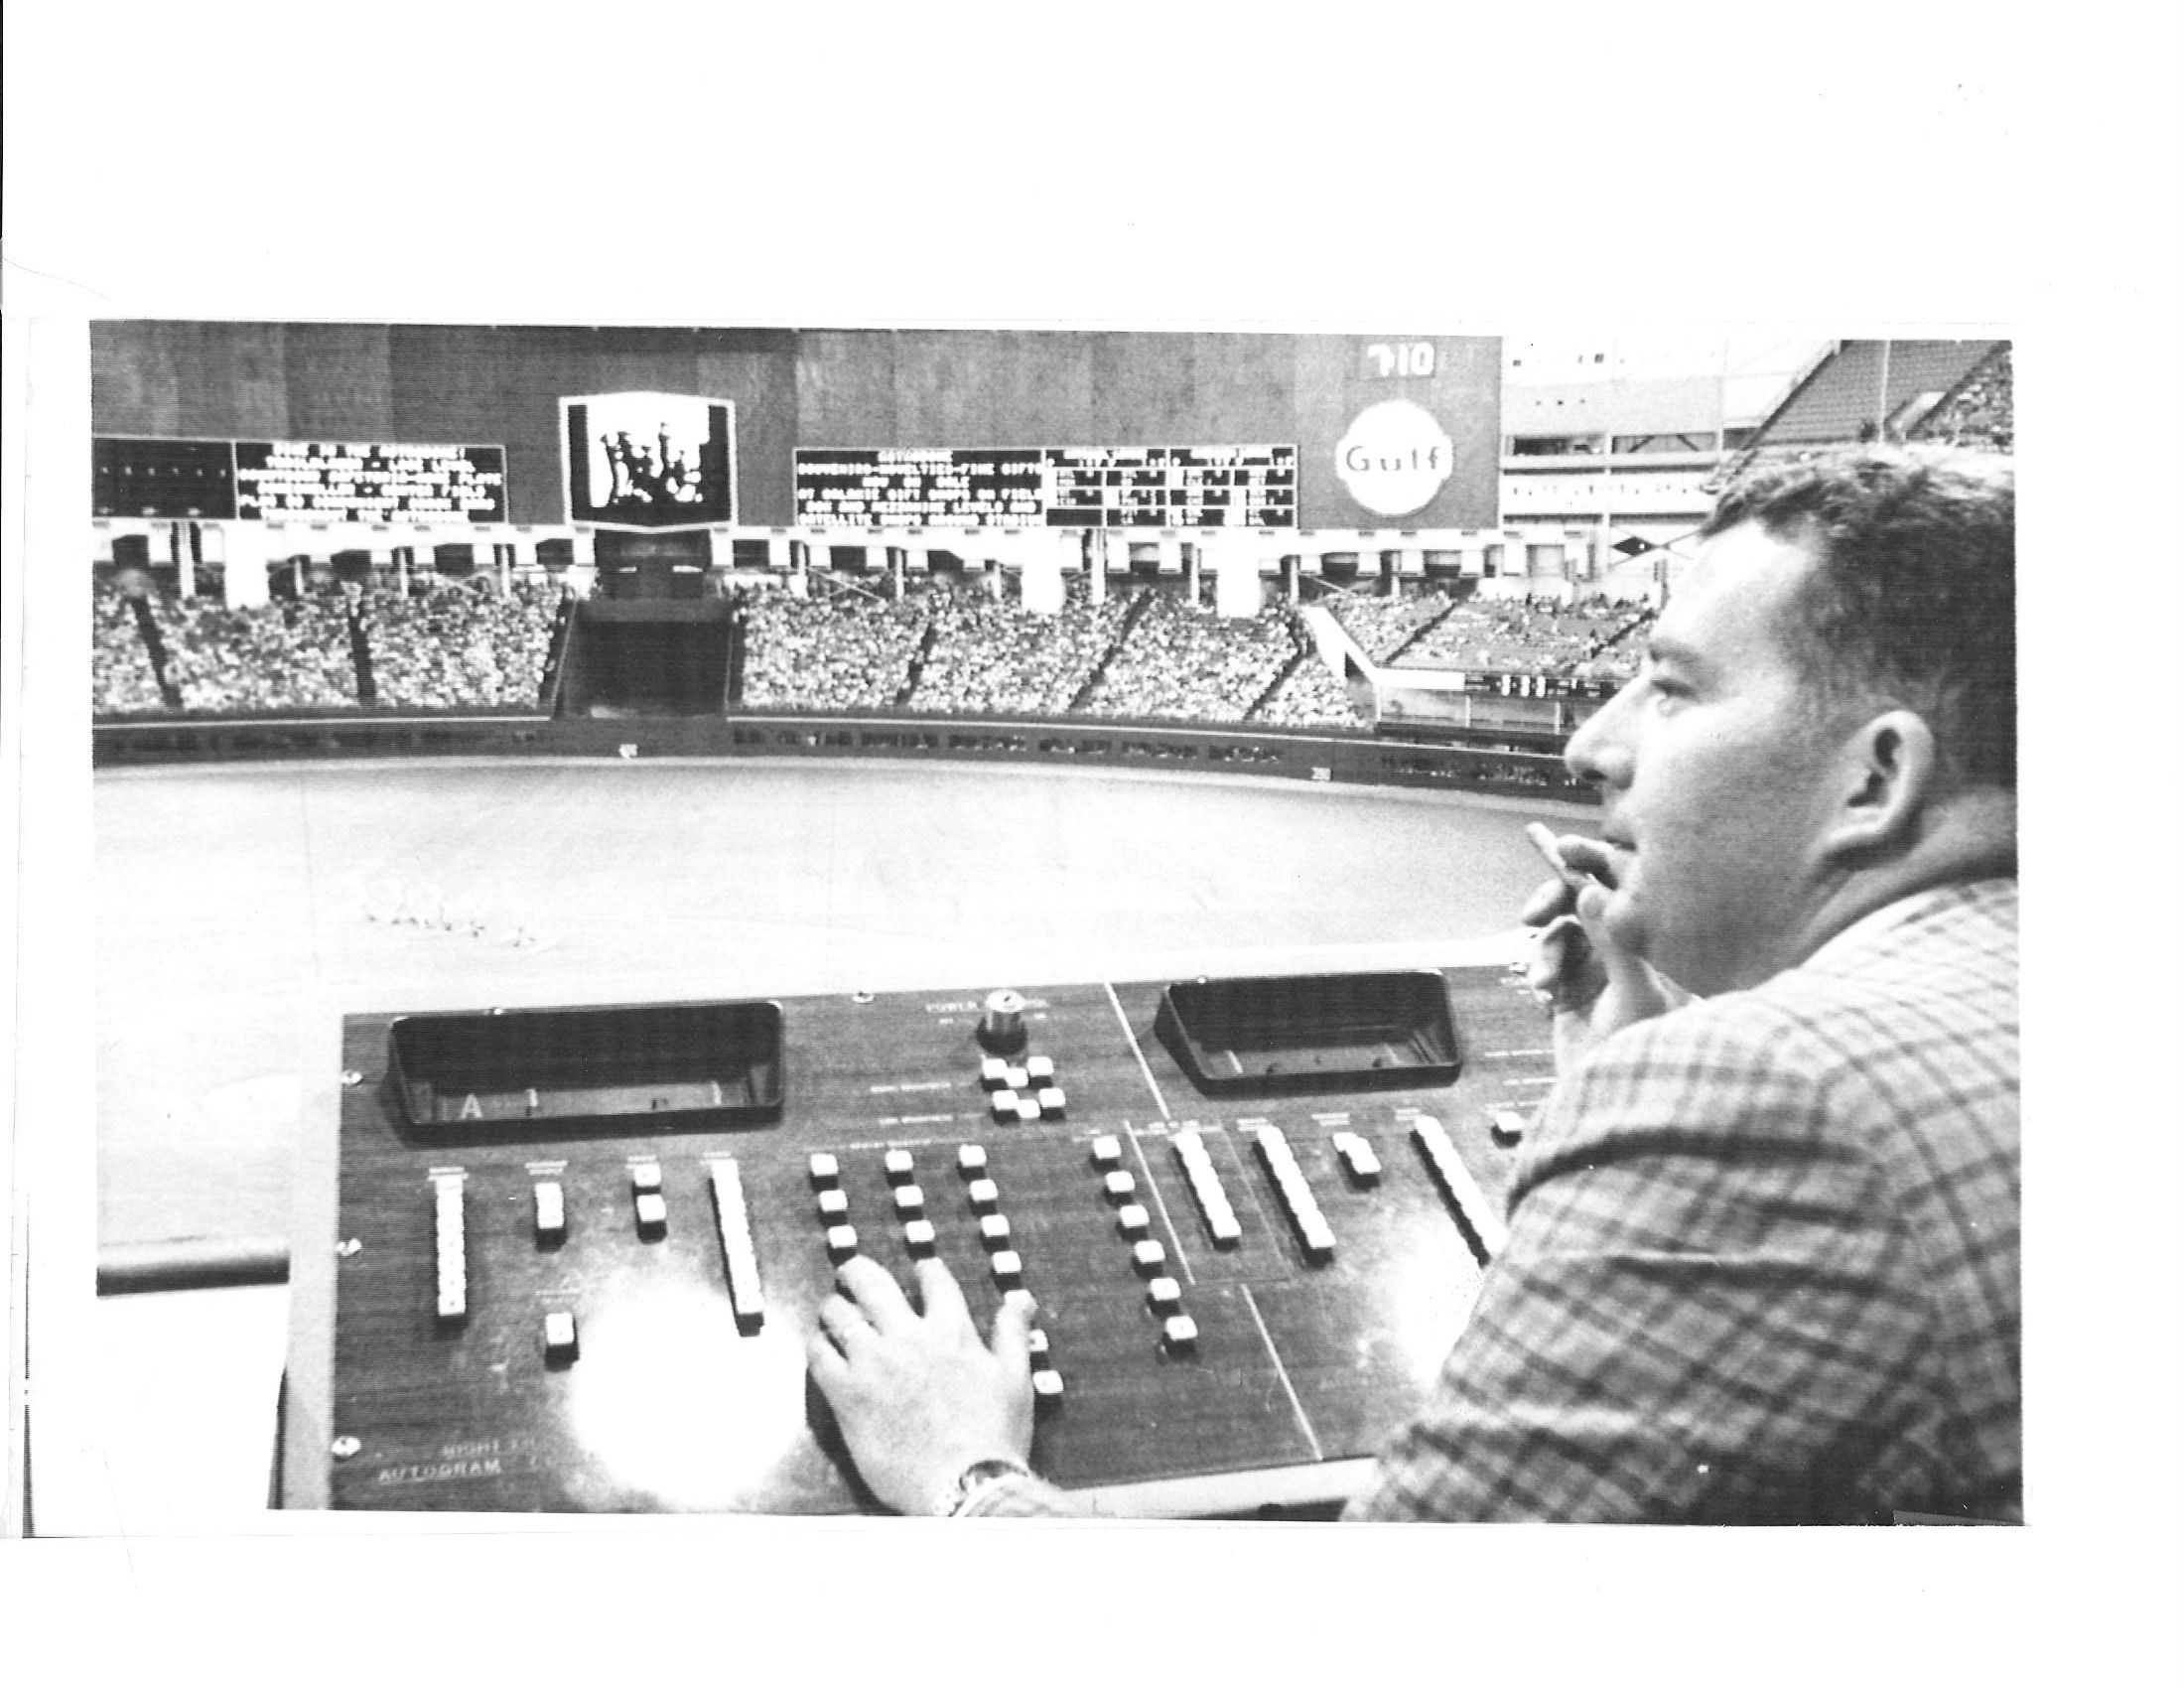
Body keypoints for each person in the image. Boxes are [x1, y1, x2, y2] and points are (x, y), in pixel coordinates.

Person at [807, 446, 2019, 1523]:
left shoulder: (1752, 1094)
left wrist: (965, 1471)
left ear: (1876, 781)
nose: (1588, 744)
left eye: (1671, 684)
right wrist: (1603, 1102)